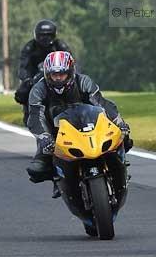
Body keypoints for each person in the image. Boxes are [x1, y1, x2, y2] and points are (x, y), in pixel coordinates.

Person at [26, 50, 132, 189]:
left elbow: (101, 103)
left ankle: (120, 166)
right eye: (54, 75)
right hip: (56, 133)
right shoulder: (38, 90)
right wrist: (44, 137)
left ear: (70, 72)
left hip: (88, 125)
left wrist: (119, 123)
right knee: (37, 169)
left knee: (124, 137)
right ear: (47, 74)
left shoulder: (83, 82)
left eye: (62, 74)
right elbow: (35, 117)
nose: (58, 79)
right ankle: (59, 180)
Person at [14, 20, 71, 124]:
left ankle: (79, 110)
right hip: (35, 75)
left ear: (54, 35)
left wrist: (72, 76)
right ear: (36, 35)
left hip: (57, 73)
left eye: (48, 35)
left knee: (74, 87)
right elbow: (23, 66)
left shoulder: (60, 46)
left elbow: (71, 62)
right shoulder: (29, 47)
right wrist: (27, 79)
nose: (45, 38)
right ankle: (29, 113)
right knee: (22, 92)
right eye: (42, 35)